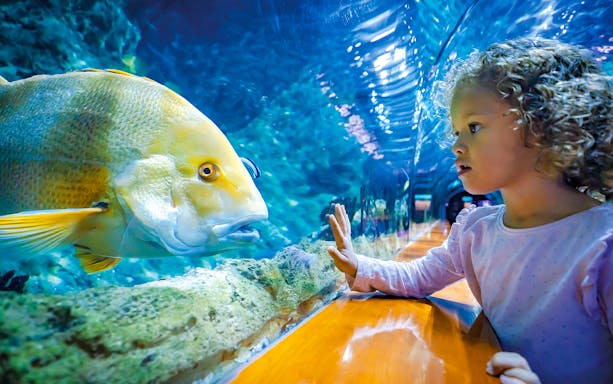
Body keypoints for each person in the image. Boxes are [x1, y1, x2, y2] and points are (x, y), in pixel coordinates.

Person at [326, 37, 612, 384]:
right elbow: (419, 277)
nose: (456, 145)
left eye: (473, 127)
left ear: (543, 126)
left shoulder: (601, 246)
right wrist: (360, 265)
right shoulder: (477, 232)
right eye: (456, 131)